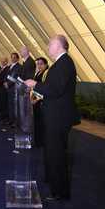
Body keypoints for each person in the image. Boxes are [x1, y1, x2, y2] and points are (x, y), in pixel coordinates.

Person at [25, 35, 80, 201]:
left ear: (59, 46)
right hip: (54, 115)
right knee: (52, 152)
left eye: (50, 44)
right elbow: (53, 89)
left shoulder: (65, 63)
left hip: (58, 117)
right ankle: (54, 184)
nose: (48, 46)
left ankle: (59, 192)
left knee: (57, 154)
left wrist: (35, 85)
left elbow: (55, 89)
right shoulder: (60, 64)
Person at [33, 57, 48, 148]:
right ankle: (37, 140)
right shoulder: (38, 73)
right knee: (37, 122)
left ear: (46, 64)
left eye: (41, 64)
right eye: (38, 64)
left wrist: (36, 99)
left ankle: (42, 142)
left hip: (41, 101)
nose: (39, 66)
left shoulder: (46, 74)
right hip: (35, 100)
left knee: (41, 123)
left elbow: (44, 89)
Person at [4, 52, 22, 128]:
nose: (13, 59)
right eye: (12, 57)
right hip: (8, 88)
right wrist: (5, 82)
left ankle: (15, 122)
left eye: (14, 57)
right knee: (10, 104)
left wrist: (8, 84)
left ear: (18, 58)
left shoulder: (19, 66)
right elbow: (6, 75)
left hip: (14, 88)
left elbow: (15, 77)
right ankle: (10, 120)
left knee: (14, 106)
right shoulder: (10, 66)